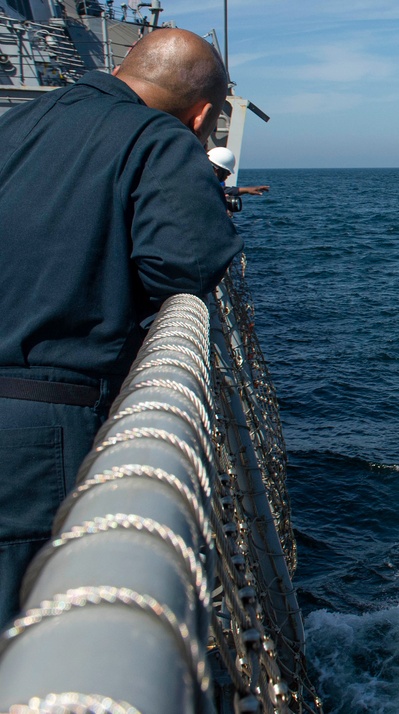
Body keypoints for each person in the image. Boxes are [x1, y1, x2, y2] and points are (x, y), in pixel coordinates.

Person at [0, 28, 243, 624]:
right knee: (43, 628)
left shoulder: (15, 125)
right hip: (42, 429)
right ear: (203, 114)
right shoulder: (157, 138)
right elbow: (186, 263)